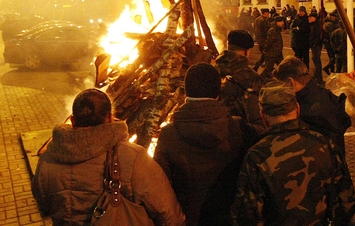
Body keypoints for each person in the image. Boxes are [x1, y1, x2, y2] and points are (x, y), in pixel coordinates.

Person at [31, 88, 185, 226]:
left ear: (72, 120)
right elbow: (166, 211)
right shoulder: (133, 157)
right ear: (111, 119)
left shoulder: (48, 158)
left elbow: (43, 203)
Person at [231, 81, 355, 226]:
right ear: (297, 109)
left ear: (264, 117)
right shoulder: (324, 144)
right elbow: (347, 201)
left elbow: (248, 215)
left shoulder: (258, 155)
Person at [154, 63, 258, 226]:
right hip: (231, 218)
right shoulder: (238, 128)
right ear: (218, 93)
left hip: (189, 219)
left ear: (186, 92)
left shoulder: (169, 134)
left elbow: (161, 186)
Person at [273, 55, 351, 154]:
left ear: (291, 82)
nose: (281, 91)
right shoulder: (325, 95)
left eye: (281, 86)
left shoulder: (306, 112)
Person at [216, 30, 265, 128]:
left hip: (215, 130)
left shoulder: (213, 70)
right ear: (246, 51)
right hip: (242, 133)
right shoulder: (253, 78)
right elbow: (260, 112)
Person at [260, 15, 285, 81]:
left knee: (282, 66)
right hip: (272, 54)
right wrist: (265, 50)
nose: (283, 23)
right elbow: (269, 42)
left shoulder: (277, 30)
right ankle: (259, 80)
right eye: (282, 21)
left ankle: (283, 79)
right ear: (277, 22)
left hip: (278, 53)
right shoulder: (273, 30)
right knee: (267, 69)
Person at [308, 12, 323, 84]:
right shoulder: (312, 25)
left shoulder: (317, 26)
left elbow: (317, 36)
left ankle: (319, 77)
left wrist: (314, 43)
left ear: (315, 18)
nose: (309, 19)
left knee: (316, 60)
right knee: (315, 59)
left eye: (311, 17)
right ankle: (316, 75)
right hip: (314, 45)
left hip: (316, 45)